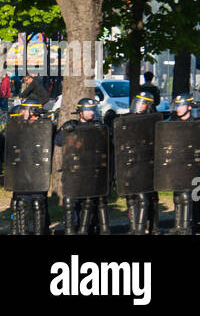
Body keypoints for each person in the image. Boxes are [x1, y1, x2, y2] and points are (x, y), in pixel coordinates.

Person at [54, 97, 111, 235]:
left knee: (88, 202)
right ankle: (70, 229)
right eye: (88, 110)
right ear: (80, 112)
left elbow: (108, 143)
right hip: (74, 171)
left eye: (93, 110)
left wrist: (104, 131)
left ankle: (84, 230)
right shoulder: (72, 125)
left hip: (91, 171)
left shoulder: (98, 125)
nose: (91, 113)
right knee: (70, 201)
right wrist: (65, 131)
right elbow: (58, 141)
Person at [8, 99, 53, 234]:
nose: (22, 112)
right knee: (20, 204)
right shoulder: (17, 127)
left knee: (38, 203)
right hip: (21, 173)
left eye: (25, 109)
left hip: (37, 173)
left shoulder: (44, 127)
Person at [164, 95, 200, 234]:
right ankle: (178, 225)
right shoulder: (173, 123)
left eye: (182, 106)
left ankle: (194, 224)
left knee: (194, 197)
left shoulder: (197, 123)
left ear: (189, 107)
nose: (178, 109)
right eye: (177, 106)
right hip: (178, 166)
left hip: (194, 167)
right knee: (178, 196)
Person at [122, 94, 161, 234]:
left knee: (146, 197)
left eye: (143, 103)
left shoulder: (152, 121)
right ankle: (133, 227)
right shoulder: (127, 118)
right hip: (131, 163)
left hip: (146, 164)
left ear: (149, 106)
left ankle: (148, 227)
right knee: (131, 197)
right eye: (138, 103)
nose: (139, 106)